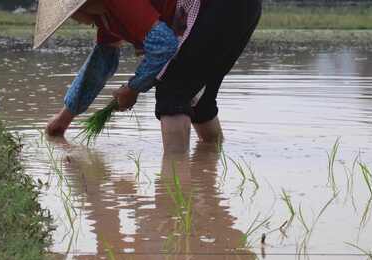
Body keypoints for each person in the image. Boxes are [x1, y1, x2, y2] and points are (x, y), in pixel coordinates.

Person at [38, 0, 262, 153]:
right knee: (198, 101)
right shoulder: (107, 18)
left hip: (221, 7)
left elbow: (164, 45)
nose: (72, 19)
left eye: (71, 13)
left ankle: (172, 194)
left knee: (172, 94)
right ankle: (208, 175)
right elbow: (100, 66)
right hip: (239, 10)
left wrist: (133, 88)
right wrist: (64, 118)